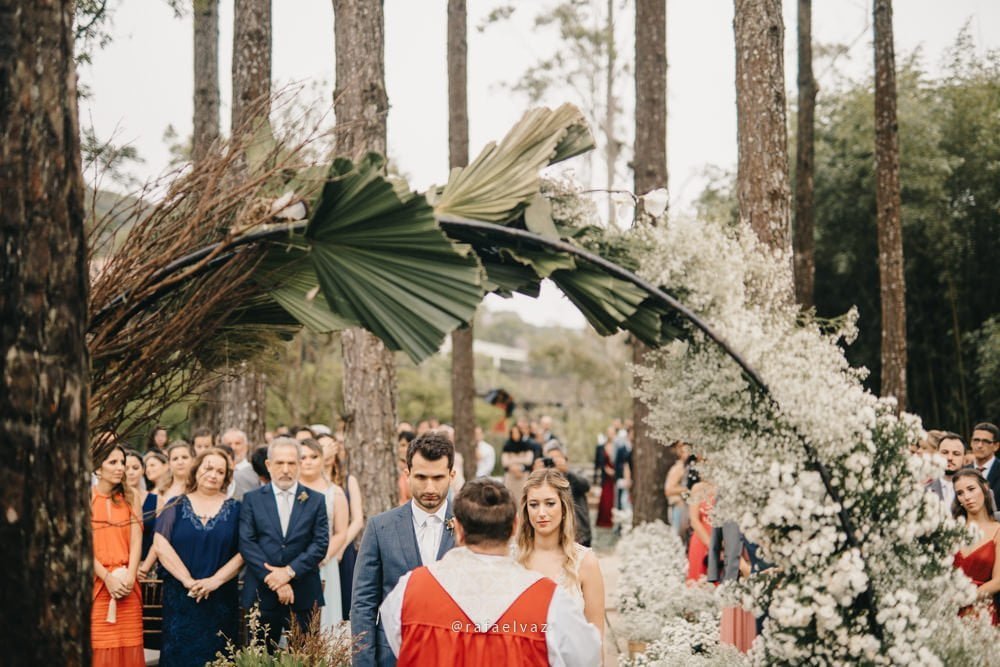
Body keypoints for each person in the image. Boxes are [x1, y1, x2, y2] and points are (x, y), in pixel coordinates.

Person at [380, 478, 601, 666]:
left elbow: (400, 645)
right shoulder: (550, 601)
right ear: (514, 526)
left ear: (458, 529)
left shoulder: (409, 590)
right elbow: (586, 657)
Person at [352, 431, 457, 667]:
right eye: (421, 477)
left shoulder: (468, 527)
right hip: (393, 655)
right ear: (407, 474)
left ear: (452, 475)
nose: (430, 486)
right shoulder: (380, 527)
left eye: (438, 477)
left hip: (455, 654)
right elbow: (363, 604)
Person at [154, 448, 244, 665]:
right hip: (181, 599)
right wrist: (187, 580)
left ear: (226, 478)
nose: (213, 474)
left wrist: (215, 581)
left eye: (220, 471)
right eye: (208, 468)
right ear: (196, 470)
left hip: (220, 599)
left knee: (218, 657)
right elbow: (161, 544)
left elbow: (244, 552)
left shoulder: (237, 509)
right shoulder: (175, 504)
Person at [240, 437, 330, 649]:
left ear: (299, 465)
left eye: (291, 463)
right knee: (259, 657)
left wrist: (288, 572)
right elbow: (247, 543)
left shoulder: (315, 500)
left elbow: (320, 544)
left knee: (305, 657)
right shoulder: (252, 499)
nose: (286, 469)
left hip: (304, 594)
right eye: (280, 463)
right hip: (262, 593)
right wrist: (274, 579)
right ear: (269, 465)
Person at [515, 469, 605, 643]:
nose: (541, 512)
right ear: (526, 509)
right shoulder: (512, 559)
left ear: (564, 508)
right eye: (534, 504)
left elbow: (596, 639)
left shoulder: (585, 562)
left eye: (550, 503)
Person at [91, 442, 145, 667]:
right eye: (112, 462)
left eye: (121, 462)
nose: (120, 467)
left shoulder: (131, 495)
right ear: (96, 468)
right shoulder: (86, 498)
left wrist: (130, 577)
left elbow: (136, 539)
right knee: (100, 646)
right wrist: (108, 578)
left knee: (129, 645)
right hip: (97, 584)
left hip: (127, 586)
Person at [298, 438, 350, 629]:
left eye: (314, 456)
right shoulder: (289, 491)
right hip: (292, 563)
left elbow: (340, 532)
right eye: (303, 457)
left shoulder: (334, 492)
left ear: (322, 459)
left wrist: (322, 556)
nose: (308, 461)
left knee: (323, 618)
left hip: (324, 562)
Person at [321, 433, 365, 620]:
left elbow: (358, 520)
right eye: (323, 447)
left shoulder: (348, 480)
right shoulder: (311, 483)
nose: (329, 451)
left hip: (344, 548)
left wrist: (340, 547)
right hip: (319, 548)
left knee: (344, 601)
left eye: (332, 446)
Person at [952, 469, 1000, 625]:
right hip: (949, 611)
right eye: (960, 493)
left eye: (971, 489)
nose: (967, 497)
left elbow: (998, 581)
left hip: (982, 614)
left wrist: (966, 597)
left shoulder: (998, 530)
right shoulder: (953, 531)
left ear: (985, 488)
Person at [543, 442, 592, 547]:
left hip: (579, 533)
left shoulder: (575, 473)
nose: (554, 462)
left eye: (557, 458)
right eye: (551, 459)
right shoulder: (543, 479)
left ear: (565, 458)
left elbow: (586, 485)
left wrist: (567, 472)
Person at [926, 432, 967, 509]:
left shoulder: (979, 491)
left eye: (956, 454)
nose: (950, 458)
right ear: (937, 455)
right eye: (945, 452)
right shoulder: (924, 490)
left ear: (964, 458)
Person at [687, 478, 716, 582]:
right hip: (701, 539)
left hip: (722, 539)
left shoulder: (727, 487)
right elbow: (694, 520)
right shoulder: (698, 488)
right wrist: (711, 545)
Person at [222, 428, 261, 501]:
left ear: (246, 447)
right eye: (229, 444)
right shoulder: (215, 473)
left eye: (238, 443)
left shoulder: (256, 471)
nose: (233, 448)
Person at [501, 425, 537, 502]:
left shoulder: (527, 445)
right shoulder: (507, 446)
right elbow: (505, 462)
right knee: (510, 498)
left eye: (517, 432)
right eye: (513, 433)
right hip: (510, 477)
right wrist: (516, 464)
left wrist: (517, 465)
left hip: (523, 476)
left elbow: (529, 461)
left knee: (523, 498)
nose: (515, 434)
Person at [664, 441, 692, 539]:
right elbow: (669, 489)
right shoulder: (678, 468)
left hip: (684, 508)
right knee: (678, 536)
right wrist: (688, 490)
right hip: (679, 507)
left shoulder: (687, 467)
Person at [971, 423, 1000, 505]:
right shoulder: (962, 471)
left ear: (996, 446)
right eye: (976, 440)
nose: (979, 445)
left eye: (986, 441)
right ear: (971, 443)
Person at [594, 432, 616, 528]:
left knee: (613, 498)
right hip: (606, 477)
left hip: (615, 476)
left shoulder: (617, 446)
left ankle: (613, 519)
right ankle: (603, 521)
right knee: (605, 498)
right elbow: (599, 462)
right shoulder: (602, 447)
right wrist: (606, 470)